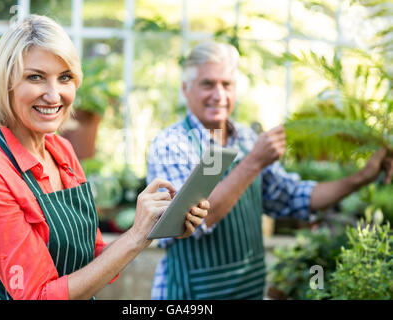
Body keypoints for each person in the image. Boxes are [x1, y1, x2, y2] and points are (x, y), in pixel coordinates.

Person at [0, 15, 209, 300]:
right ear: (6, 84)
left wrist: (154, 226)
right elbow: (38, 296)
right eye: (35, 77)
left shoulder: (62, 150)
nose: (54, 95)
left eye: (64, 78)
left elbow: (94, 259)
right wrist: (135, 236)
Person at [146, 41, 393, 300]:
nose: (219, 95)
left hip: (248, 292)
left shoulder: (246, 138)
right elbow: (192, 219)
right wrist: (253, 162)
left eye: (227, 84)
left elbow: (296, 197)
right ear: (186, 88)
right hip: (190, 296)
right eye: (208, 84)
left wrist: (362, 177)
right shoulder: (172, 144)